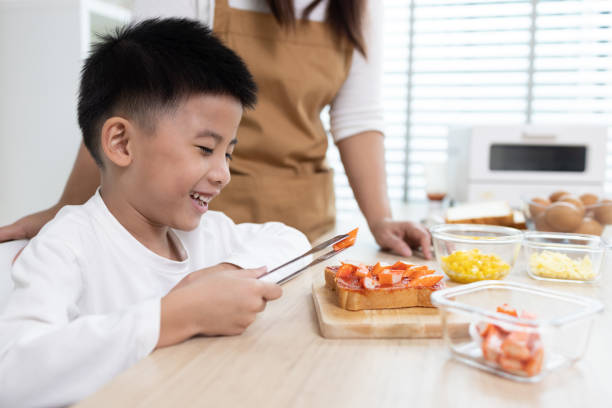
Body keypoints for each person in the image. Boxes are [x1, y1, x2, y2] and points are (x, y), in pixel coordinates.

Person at [0, 18, 310, 407]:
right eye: (204, 149)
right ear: (121, 143)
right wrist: (173, 316)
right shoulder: (68, 245)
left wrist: (228, 274)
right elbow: (12, 373)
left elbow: (293, 241)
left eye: (228, 153)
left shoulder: (207, 233)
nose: (223, 174)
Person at [0, 0, 432, 259]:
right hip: (198, 227)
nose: (220, 166)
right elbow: (129, 103)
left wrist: (380, 219)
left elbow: (357, 118)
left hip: (307, 227)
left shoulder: (356, 8)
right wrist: (69, 209)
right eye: (210, 148)